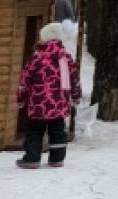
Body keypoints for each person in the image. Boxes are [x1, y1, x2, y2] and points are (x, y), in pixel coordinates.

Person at [16, 21, 81, 169]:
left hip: (38, 103)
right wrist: (76, 96)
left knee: (34, 131)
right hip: (58, 104)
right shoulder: (65, 57)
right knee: (57, 131)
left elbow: (25, 80)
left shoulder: (37, 57)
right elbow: (74, 79)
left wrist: (21, 98)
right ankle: (57, 159)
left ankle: (32, 159)